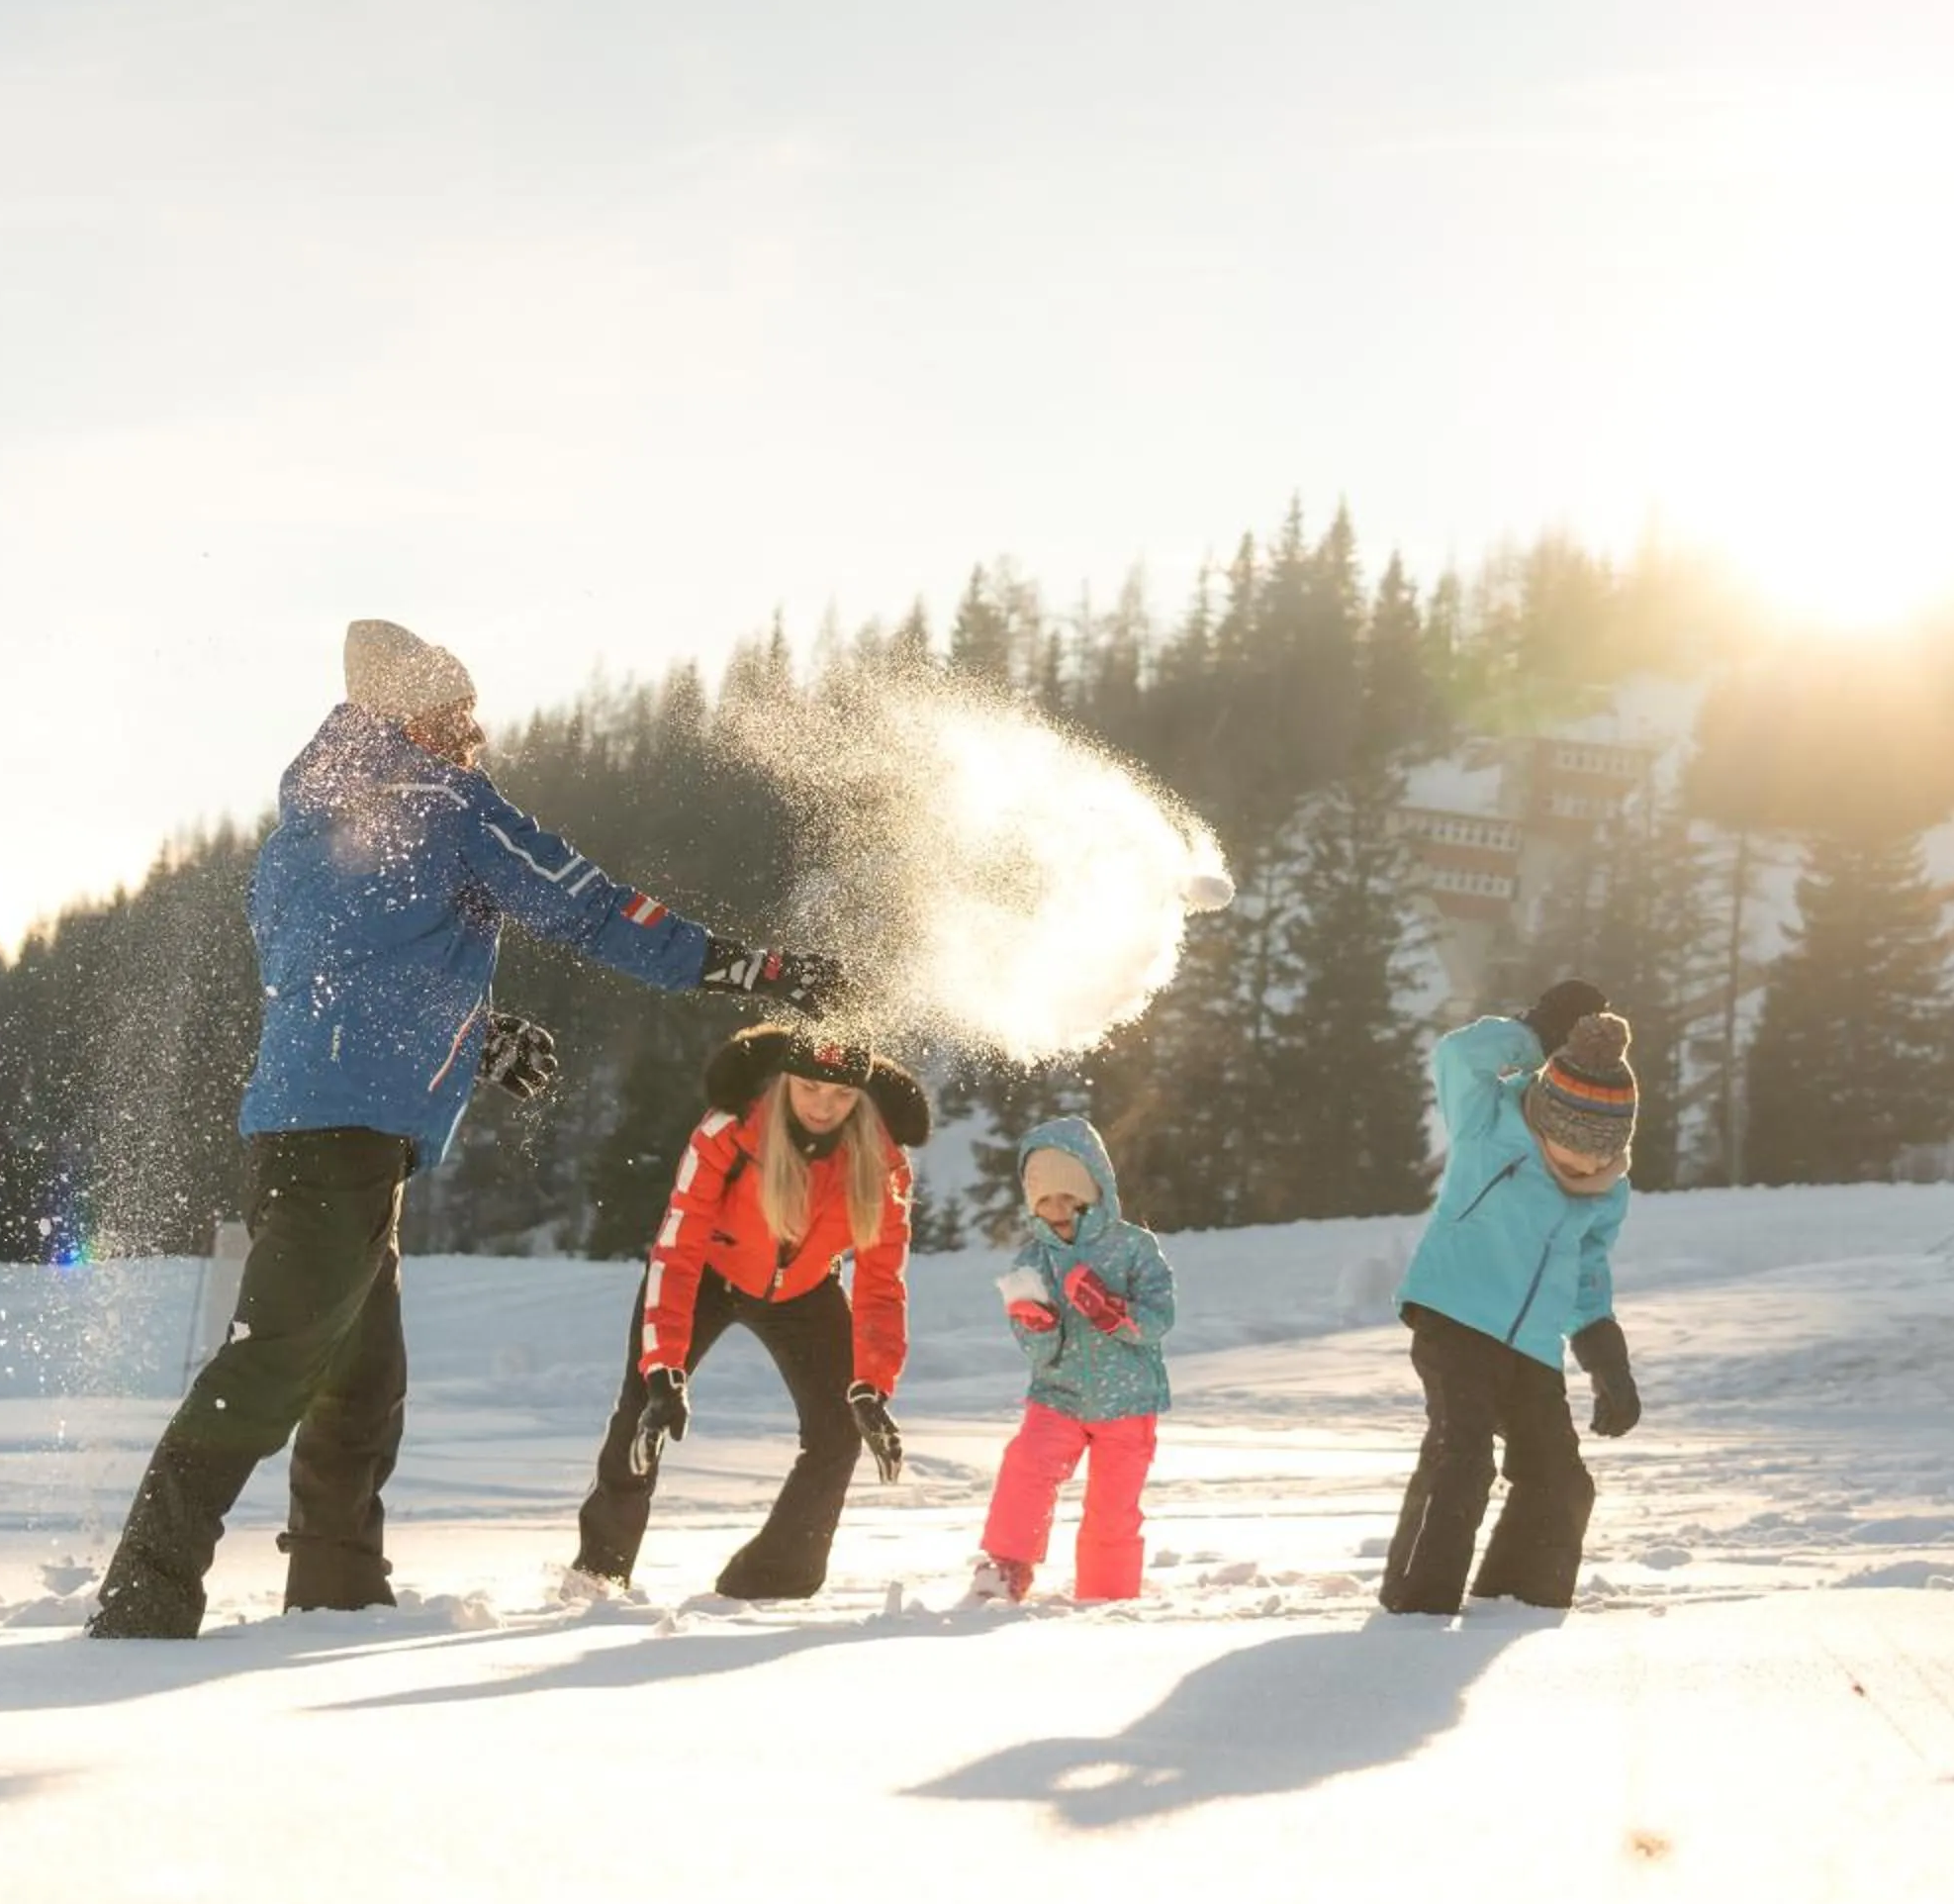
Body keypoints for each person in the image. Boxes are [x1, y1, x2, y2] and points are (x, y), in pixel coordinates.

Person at [89, 620, 847, 1640]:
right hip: (349, 1135)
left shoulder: (295, 841)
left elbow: (345, 982)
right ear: (409, 720)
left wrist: (472, 1032)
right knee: (274, 1363)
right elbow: (589, 905)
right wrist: (750, 969)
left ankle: (336, 1593)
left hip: (297, 1129)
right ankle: (146, 1588)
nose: (476, 732)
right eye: (459, 713)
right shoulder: (447, 806)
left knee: (361, 1382)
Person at [566, 1022, 929, 1602]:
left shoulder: (884, 1165)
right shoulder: (729, 1133)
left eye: (840, 1095)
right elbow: (676, 1251)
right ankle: (598, 1572)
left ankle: (770, 1583)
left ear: (861, 1096)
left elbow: (882, 1286)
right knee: (644, 1411)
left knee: (839, 1431)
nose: (822, 1106)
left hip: (804, 1292)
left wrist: (872, 1384)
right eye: (809, 1087)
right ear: (786, 1079)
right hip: (707, 1274)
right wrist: (663, 1370)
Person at [1379, 980, 1643, 1616]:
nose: (1584, 1171)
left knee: (1561, 1479)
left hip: (1530, 1343)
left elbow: (1586, 1270)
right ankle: (1415, 1612)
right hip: (1453, 1314)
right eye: (1572, 1155)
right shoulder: (1487, 1124)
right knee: (1461, 1459)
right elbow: (1456, 1054)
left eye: (1597, 1160)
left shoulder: (1606, 1189)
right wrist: (1531, 1034)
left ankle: (1517, 1605)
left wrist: (1606, 1357)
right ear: (1545, 1116)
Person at [968, 1116, 1175, 1604]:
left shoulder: (1133, 1247)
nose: (1056, 1209)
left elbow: (1161, 1317)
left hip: (1126, 1401)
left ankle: (1105, 1595)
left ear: (1095, 1189)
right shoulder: (1032, 1260)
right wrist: (1038, 1327)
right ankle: (1006, 1568)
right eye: (1043, 1199)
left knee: (1112, 1506)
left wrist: (1112, 1313)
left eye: (1069, 1197)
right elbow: (1032, 1344)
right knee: (1025, 1468)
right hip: (1056, 1396)